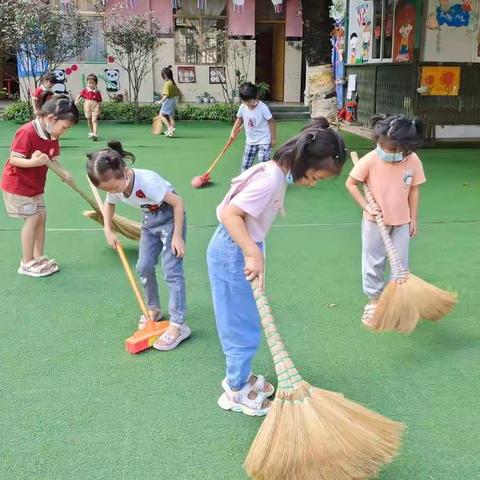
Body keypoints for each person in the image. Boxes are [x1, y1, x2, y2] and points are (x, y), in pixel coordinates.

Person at [207, 118, 347, 416]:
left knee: (247, 320)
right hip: (233, 249)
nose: (312, 184)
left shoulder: (276, 172)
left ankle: (241, 377)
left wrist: (255, 250)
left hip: (243, 246)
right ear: (303, 162)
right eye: (316, 178)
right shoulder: (270, 178)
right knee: (239, 325)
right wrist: (250, 252)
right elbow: (231, 215)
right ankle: (235, 390)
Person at [87, 141, 190, 351]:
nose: (113, 191)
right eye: (107, 189)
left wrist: (177, 236)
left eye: (115, 187)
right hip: (149, 221)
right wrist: (108, 229)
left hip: (170, 219)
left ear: (125, 172)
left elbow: (178, 203)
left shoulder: (148, 181)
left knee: (172, 270)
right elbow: (109, 203)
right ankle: (153, 309)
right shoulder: (112, 184)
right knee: (143, 266)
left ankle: (178, 325)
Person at [345, 115, 426, 326]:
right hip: (374, 222)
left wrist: (413, 219)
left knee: (400, 264)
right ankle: (374, 299)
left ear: (405, 147)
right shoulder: (371, 159)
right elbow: (351, 183)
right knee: (373, 260)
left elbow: (414, 189)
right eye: (381, 146)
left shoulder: (413, 160)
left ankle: (397, 303)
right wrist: (367, 207)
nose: (385, 151)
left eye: (391, 149)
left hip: (401, 222)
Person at [1, 93, 79, 277]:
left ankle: (38, 256)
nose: (64, 132)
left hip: (35, 185)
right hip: (18, 185)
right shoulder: (27, 131)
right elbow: (14, 160)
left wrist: (63, 172)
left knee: (41, 216)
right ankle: (26, 262)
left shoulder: (52, 135)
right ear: (51, 119)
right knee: (33, 218)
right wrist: (34, 162)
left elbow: (52, 160)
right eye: (64, 127)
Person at [230, 82, 276, 171]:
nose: (252, 103)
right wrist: (233, 132)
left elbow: (271, 121)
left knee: (264, 162)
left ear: (256, 96)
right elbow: (239, 119)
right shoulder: (242, 107)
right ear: (243, 100)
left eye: (253, 100)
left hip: (264, 139)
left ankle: (267, 180)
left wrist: (273, 138)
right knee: (245, 165)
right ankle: (244, 180)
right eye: (248, 101)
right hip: (250, 141)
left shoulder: (263, 108)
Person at [76, 74, 103, 141]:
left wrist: (99, 110)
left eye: (93, 83)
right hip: (87, 105)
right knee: (89, 119)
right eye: (89, 83)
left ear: (96, 84)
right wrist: (76, 101)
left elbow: (99, 102)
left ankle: (95, 134)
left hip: (95, 106)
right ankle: (91, 132)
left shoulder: (97, 92)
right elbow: (79, 95)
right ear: (87, 83)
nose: (91, 85)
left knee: (94, 120)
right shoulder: (85, 90)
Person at [156, 66, 180, 137]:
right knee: (171, 117)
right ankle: (171, 132)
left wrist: (160, 101)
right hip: (173, 101)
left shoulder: (167, 83)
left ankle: (169, 128)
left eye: (163, 75)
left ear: (165, 75)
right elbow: (177, 93)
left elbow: (166, 95)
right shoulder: (173, 83)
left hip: (168, 101)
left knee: (161, 115)